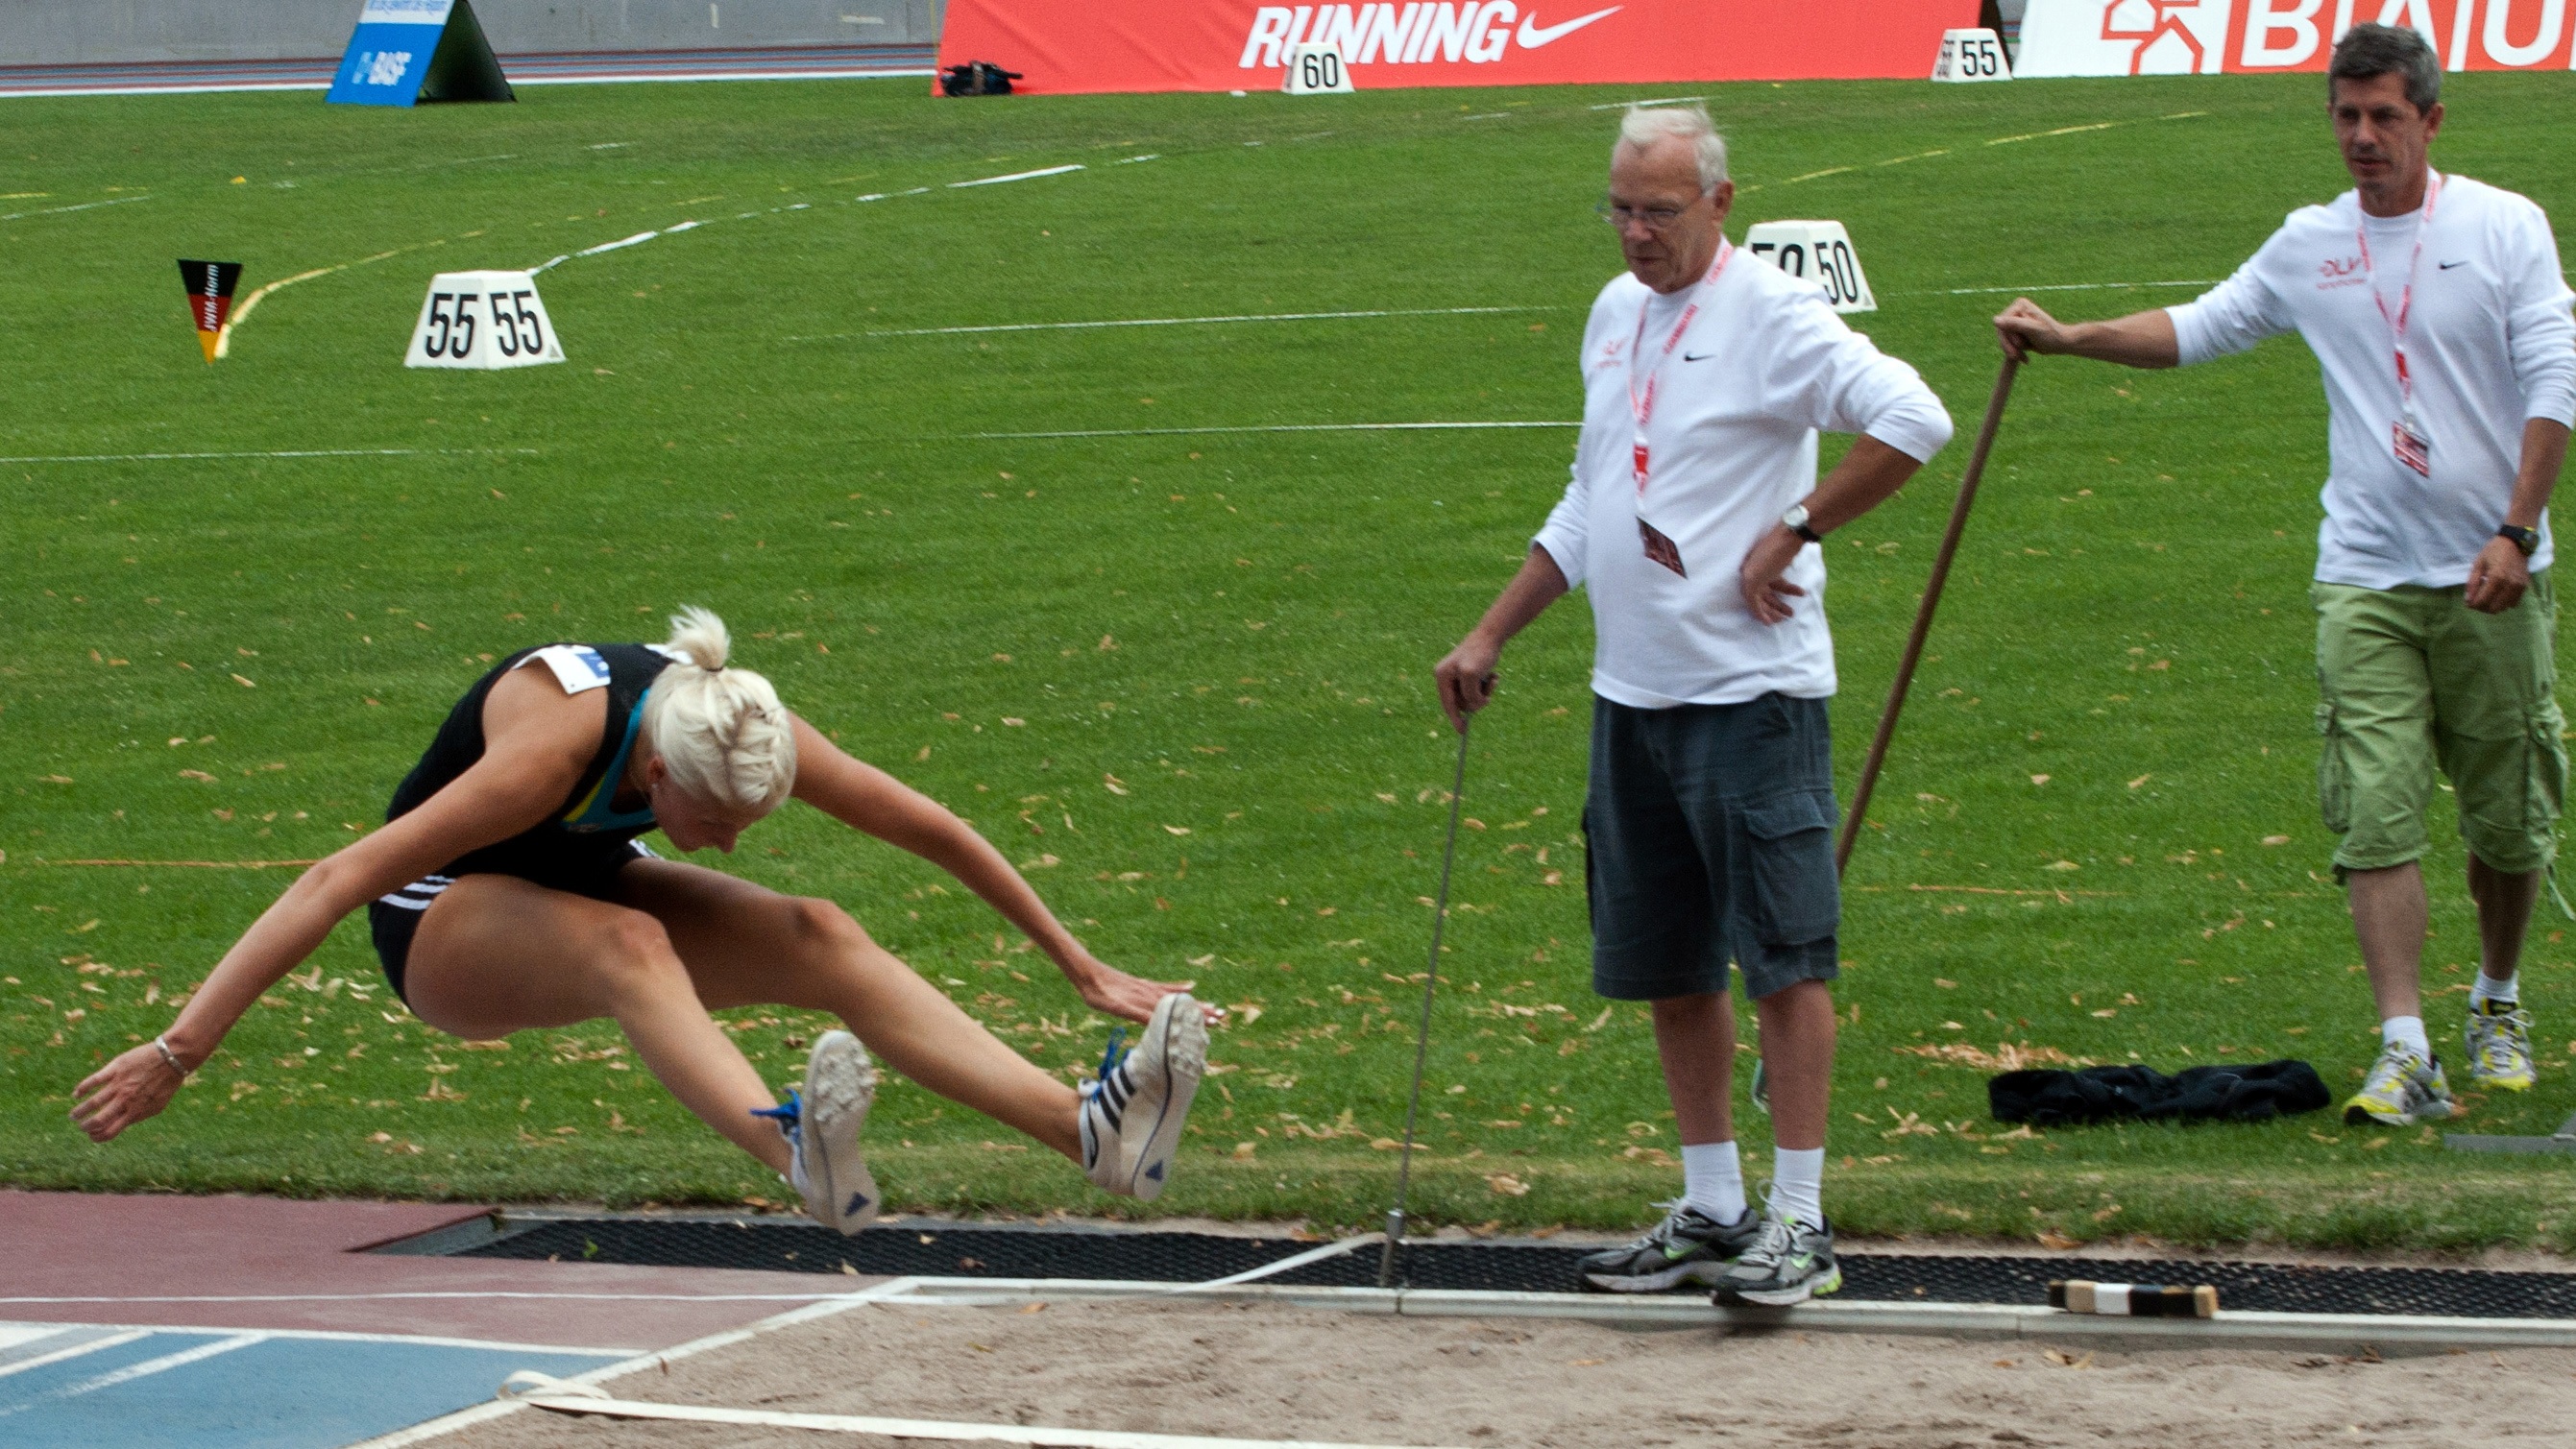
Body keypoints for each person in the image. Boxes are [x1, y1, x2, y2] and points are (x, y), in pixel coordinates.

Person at [69, 608, 1213, 1229]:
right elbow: (332, 882)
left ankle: (1093, 1138)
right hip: (435, 927)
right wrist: (182, 1048)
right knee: (633, 945)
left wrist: (1077, 962)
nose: (728, 840)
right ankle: (798, 1155)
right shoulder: (544, 754)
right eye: (712, 821)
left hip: (574, 879)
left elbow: (928, 826)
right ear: (654, 772)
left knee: (817, 930)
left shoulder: (736, 719)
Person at [1993, 23, 2574, 1128]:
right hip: (2361, 572)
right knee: (2374, 812)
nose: (2362, 137)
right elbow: (2202, 326)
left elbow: (2557, 380)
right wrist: (2074, 339)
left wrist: (2516, 528)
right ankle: (2404, 1045)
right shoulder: (2310, 244)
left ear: (2431, 121)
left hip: (2490, 569)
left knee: (2507, 823)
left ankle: (2496, 998)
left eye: (2384, 117)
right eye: (2346, 117)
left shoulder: (2505, 228)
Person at [1435, 104, 1954, 1305]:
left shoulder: (1773, 314)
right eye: (1619, 208)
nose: (1634, 234)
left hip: (1752, 696)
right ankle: (1714, 1205)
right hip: (1634, 695)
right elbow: (1593, 498)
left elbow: (1914, 418)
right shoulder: (1615, 316)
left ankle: (1804, 1222)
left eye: (1658, 211)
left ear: (1720, 203)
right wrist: (1493, 627)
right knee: (1671, 965)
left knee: (1783, 958)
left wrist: (1798, 527)